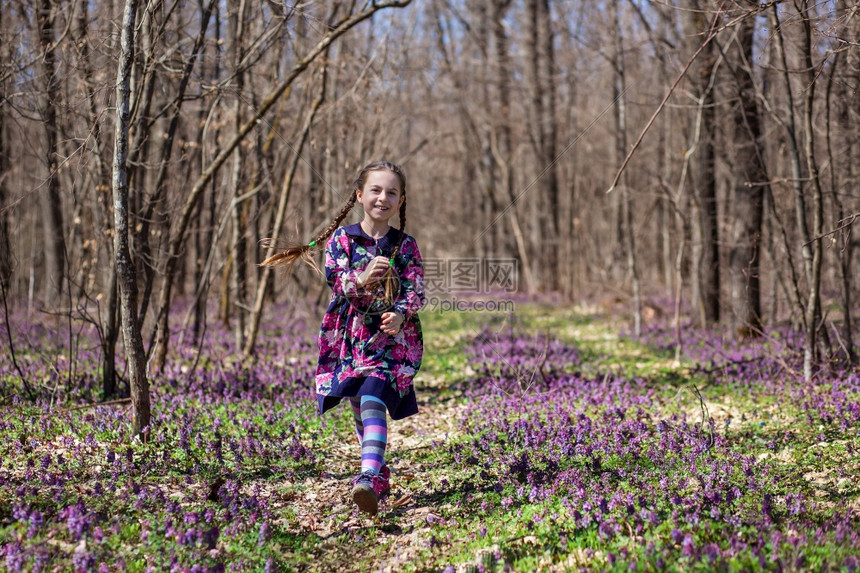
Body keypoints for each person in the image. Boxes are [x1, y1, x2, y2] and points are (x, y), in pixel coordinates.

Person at [260, 161, 425, 516]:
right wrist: (363, 277)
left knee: (372, 397)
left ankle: (366, 475)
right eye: (376, 190)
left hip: (389, 340)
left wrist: (400, 313)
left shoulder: (405, 245)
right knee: (358, 403)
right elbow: (336, 281)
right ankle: (378, 474)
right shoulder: (342, 239)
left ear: (401, 200)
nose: (384, 197)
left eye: (392, 192)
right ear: (359, 195)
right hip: (350, 336)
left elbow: (416, 287)